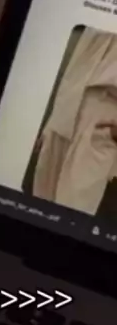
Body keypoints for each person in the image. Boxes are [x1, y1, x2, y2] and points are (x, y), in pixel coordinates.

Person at [33, 27, 117, 214]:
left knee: (73, 212)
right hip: (67, 106)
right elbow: (78, 64)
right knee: (40, 204)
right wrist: (51, 122)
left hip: (104, 117)